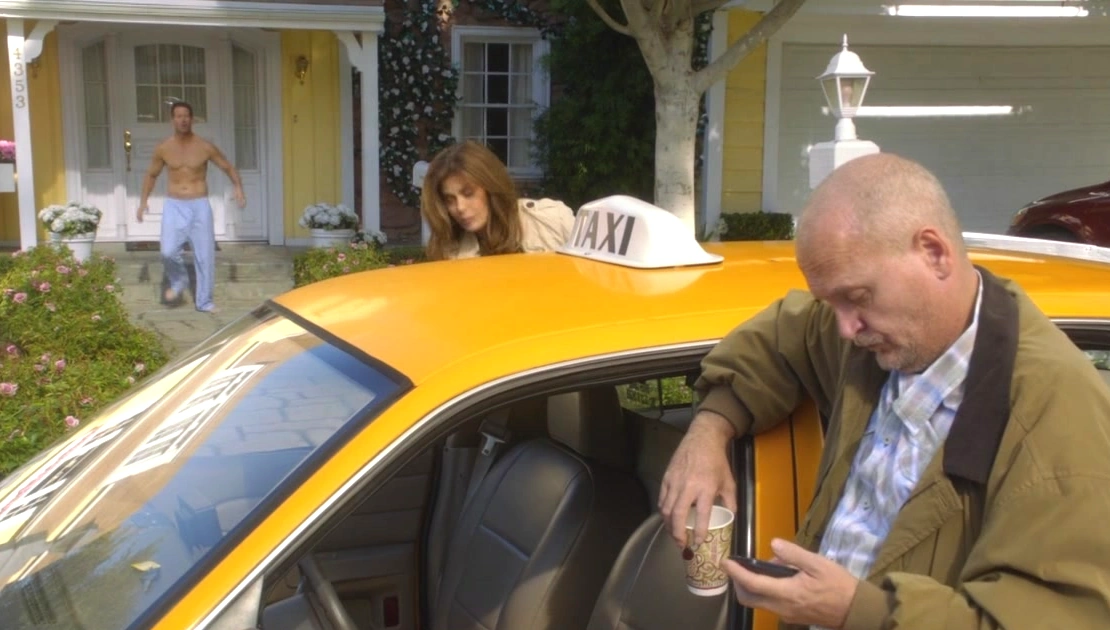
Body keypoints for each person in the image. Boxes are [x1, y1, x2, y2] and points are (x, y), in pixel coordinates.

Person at [658, 153, 1110, 629]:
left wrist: (857, 611)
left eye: (856, 298)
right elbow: (780, 337)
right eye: (830, 303)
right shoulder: (878, 336)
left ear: (933, 253)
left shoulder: (1058, 417)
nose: (845, 328)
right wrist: (709, 431)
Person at [137, 101, 246, 313]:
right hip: (174, 205)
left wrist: (238, 187)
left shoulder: (205, 147)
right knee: (168, 251)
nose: (183, 120)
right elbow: (151, 175)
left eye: (186, 116)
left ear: (192, 119)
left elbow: (227, 167)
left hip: (199, 205)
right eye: (178, 116)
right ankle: (179, 281)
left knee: (204, 255)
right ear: (172, 120)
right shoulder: (164, 148)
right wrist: (143, 202)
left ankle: (204, 302)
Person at [420, 140, 574, 260]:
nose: (460, 207)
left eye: (468, 193)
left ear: (490, 187)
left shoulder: (552, 221)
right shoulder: (449, 251)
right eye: (449, 199)